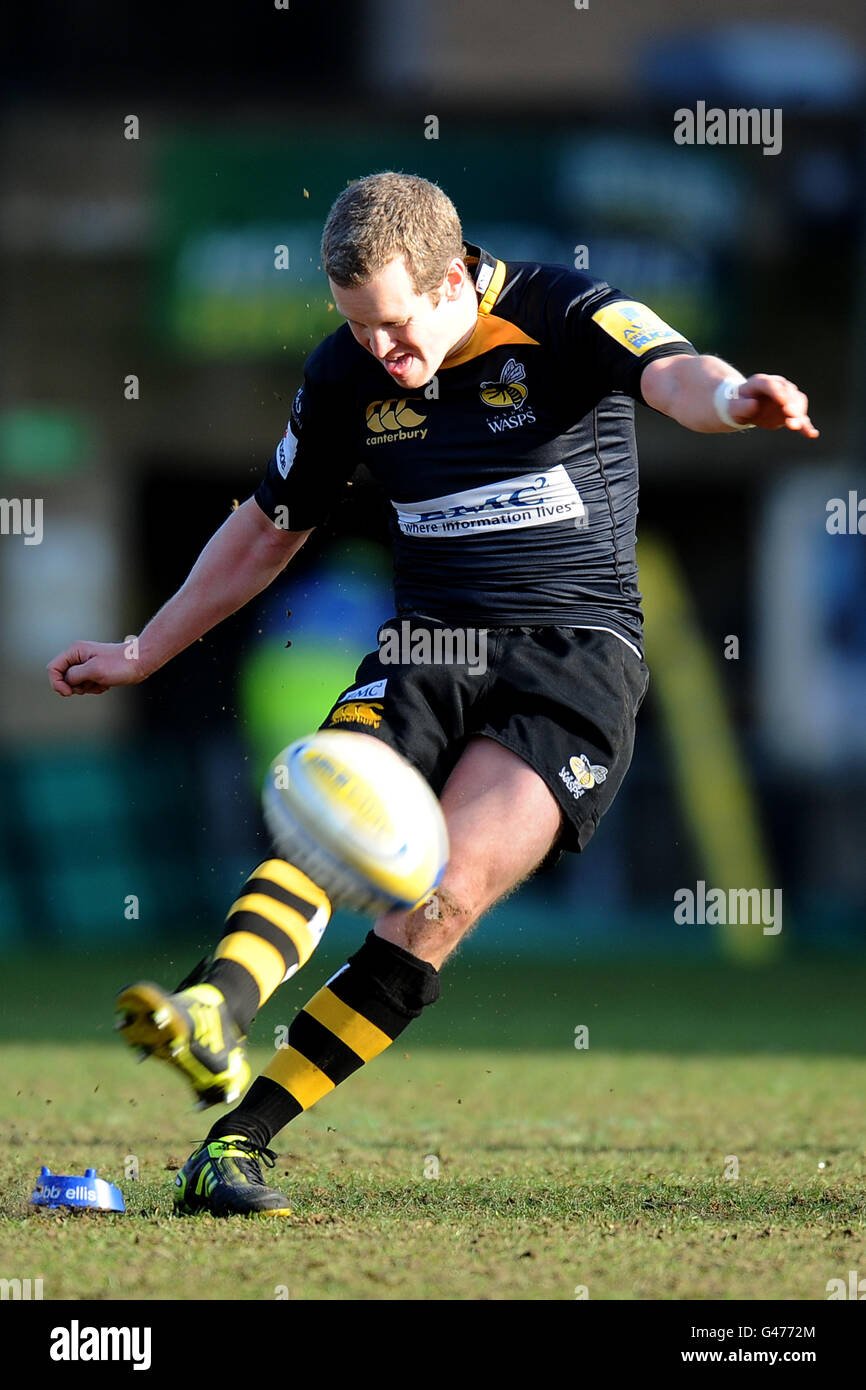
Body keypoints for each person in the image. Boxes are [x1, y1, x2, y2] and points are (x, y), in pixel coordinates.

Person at [47, 172, 818, 1216]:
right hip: (429, 643)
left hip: (575, 658)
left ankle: (235, 1144)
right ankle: (208, 1009)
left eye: (396, 326)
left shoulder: (564, 311)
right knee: (333, 818)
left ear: (454, 278)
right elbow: (268, 529)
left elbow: (674, 373)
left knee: (439, 899)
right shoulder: (342, 375)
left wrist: (732, 401)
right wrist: (144, 649)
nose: (379, 352)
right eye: (356, 329)